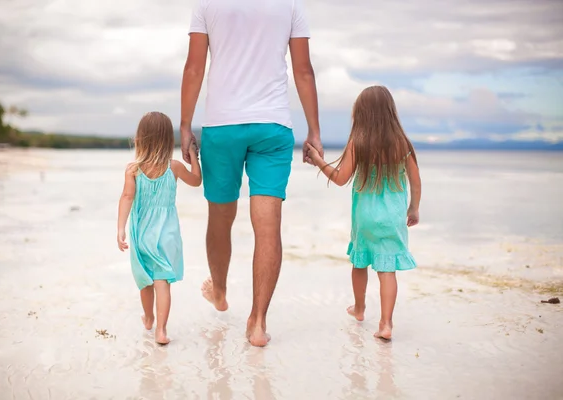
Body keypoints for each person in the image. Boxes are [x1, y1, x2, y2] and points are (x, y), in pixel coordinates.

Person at [180, 0, 323, 347]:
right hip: (272, 126)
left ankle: (220, 291)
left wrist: (184, 125)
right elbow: (303, 70)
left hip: (222, 126)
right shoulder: (291, 6)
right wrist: (314, 131)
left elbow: (194, 67)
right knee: (268, 224)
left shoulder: (207, 5)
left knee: (221, 215)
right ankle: (257, 323)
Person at [306, 86, 422, 341]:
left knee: (360, 262)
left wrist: (318, 160)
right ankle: (386, 324)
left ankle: (359, 309)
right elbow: (415, 180)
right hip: (392, 218)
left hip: (365, 218)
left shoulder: (358, 142)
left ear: (361, 114)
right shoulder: (402, 144)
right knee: (387, 269)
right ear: (390, 112)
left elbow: (340, 178)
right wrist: (413, 208)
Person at [117, 112, 202, 345]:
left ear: (140, 138)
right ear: (168, 140)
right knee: (162, 280)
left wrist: (120, 228)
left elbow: (126, 197)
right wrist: (194, 155)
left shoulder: (132, 169)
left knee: (145, 280)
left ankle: (148, 318)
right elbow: (196, 180)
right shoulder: (173, 167)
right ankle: (161, 330)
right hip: (168, 233)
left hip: (142, 232)